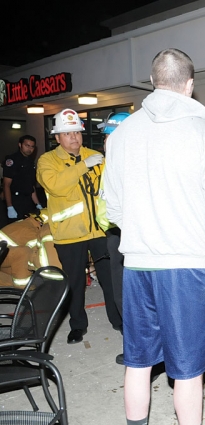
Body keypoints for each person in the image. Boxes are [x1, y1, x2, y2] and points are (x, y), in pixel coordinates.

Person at [104, 48, 205, 425]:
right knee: (188, 369)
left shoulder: (123, 134)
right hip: (185, 265)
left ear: (152, 81)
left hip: (138, 264)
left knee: (138, 361)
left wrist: (143, 236)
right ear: (190, 85)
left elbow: (112, 207)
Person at [36, 108, 121, 344]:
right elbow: (55, 186)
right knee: (74, 282)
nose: (74, 137)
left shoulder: (95, 155)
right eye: (67, 133)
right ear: (57, 138)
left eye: (77, 132)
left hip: (98, 230)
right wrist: (83, 166)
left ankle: (118, 320)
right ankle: (77, 325)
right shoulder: (47, 161)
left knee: (110, 279)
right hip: (69, 233)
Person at [96, 112, 130, 364]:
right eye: (106, 136)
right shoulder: (115, 161)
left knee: (126, 293)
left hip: (123, 233)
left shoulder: (123, 163)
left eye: (109, 135)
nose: (106, 141)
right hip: (115, 232)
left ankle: (136, 348)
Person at [3, 135, 42, 222]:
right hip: (16, 200)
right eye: (27, 145)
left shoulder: (30, 162)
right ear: (20, 145)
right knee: (16, 230)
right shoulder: (12, 160)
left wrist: (38, 204)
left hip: (28, 201)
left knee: (30, 228)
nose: (30, 149)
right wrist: (10, 206)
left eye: (32, 147)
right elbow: (6, 185)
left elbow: (31, 186)